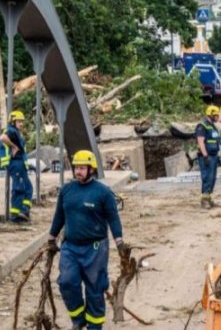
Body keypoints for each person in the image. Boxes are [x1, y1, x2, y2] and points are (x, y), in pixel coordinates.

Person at [47, 150, 129, 330]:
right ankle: (78, 319)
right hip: (70, 248)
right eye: (76, 167)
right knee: (67, 282)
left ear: (92, 169)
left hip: (96, 249)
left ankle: (94, 326)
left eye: (82, 168)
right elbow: (59, 216)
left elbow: (113, 218)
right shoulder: (67, 191)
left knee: (95, 289)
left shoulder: (103, 192)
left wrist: (120, 242)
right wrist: (51, 239)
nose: (78, 171)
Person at [0, 110, 33, 223]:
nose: (21, 124)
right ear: (13, 121)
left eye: (22, 121)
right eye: (19, 121)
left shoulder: (16, 132)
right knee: (19, 188)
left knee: (28, 187)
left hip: (20, 163)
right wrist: (13, 146)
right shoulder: (10, 130)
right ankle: (15, 215)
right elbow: (3, 138)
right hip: (15, 162)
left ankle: (24, 211)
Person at [196, 105, 221, 209]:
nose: (218, 117)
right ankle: (204, 200)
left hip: (214, 155)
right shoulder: (202, 126)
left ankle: (209, 198)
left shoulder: (213, 126)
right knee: (207, 177)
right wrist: (205, 155)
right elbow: (200, 142)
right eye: (216, 115)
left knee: (212, 178)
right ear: (210, 114)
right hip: (206, 156)